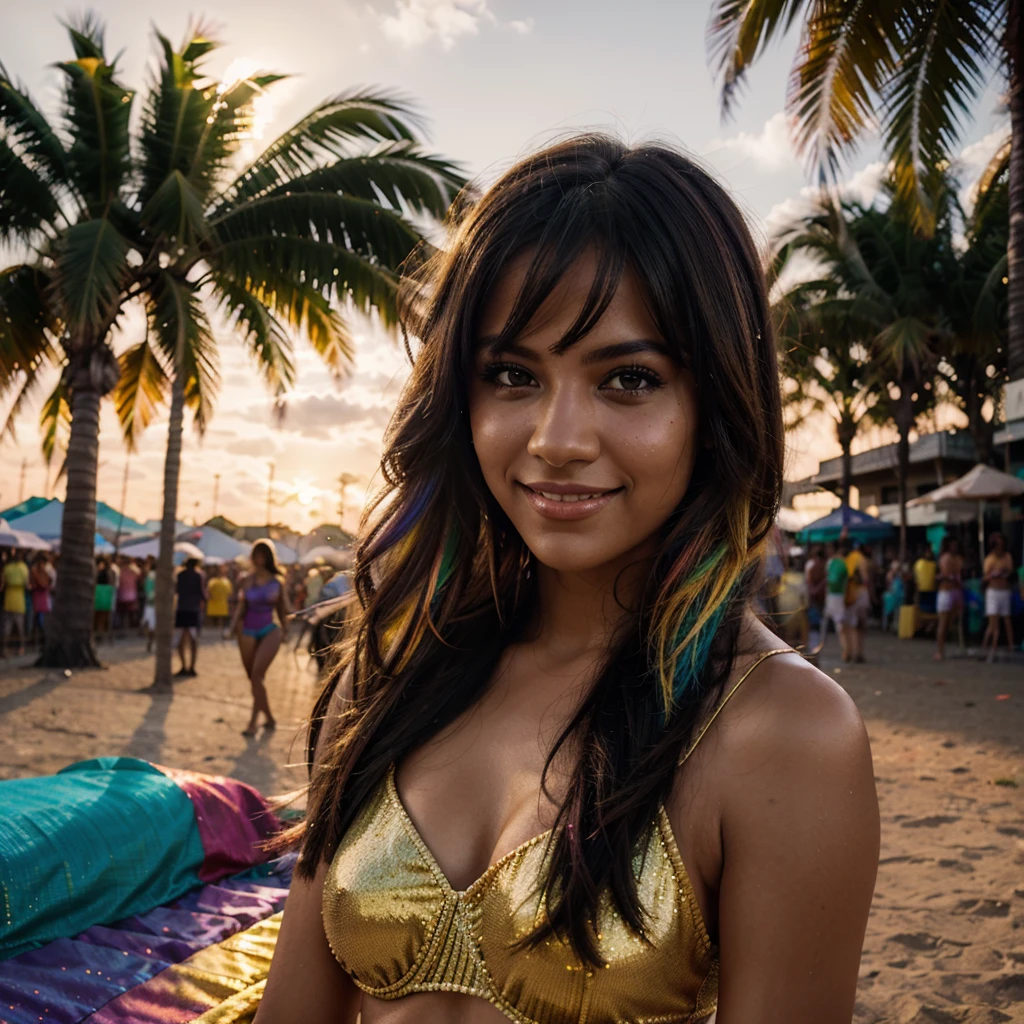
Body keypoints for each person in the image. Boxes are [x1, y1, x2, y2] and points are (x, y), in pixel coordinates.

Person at [255, 136, 878, 1024]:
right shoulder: (388, 676)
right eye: (512, 374)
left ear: (717, 404)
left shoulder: (783, 734)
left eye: (628, 378)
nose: (558, 437)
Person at [228, 540, 290, 736]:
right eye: (256, 554)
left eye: (263, 555)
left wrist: (287, 629)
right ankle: (269, 718)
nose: (259, 558)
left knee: (257, 675)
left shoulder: (277, 581)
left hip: (270, 630)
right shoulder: (245, 580)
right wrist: (231, 628)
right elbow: (240, 607)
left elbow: (283, 608)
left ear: (269, 557)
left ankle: (253, 723)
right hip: (247, 631)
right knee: (255, 680)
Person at [981, 531, 1015, 662]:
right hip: (993, 591)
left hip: (1004, 590)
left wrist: (1003, 573)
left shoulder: (1007, 557)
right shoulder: (990, 559)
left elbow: (1010, 572)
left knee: (1006, 621)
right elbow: (985, 577)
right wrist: (994, 574)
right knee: (993, 624)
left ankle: (1008, 648)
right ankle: (990, 650)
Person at [174, 557, 207, 677]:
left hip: (182, 609)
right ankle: (191, 667)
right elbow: (201, 593)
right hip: (193, 610)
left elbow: (176, 590)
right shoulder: (198, 576)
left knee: (180, 640)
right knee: (193, 640)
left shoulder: (180, 575)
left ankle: (184, 666)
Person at [934, 537, 963, 661]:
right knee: (943, 623)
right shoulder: (946, 558)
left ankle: (948, 648)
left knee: (951, 622)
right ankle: (940, 651)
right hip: (947, 591)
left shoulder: (957, 559)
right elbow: (947, 575)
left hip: (954, 591)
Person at [824, 541, 850, 658]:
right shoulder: (839, 563)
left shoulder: (836, 563)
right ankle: (845, 650)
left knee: (839, 626)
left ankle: (845, 650)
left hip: (836, 597)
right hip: (836, 596)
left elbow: (832, 581)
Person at [844, 539, 869, 663]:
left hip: (850, 594)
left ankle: (852, 652)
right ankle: (858, 653)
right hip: (861, 594)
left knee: (852, 626)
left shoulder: (848, 559)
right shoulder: (862, 559)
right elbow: (865, 579)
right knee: (860, 626)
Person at [1, 549, 29, 657]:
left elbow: (3, 584)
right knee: (20, 627)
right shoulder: (23, 568)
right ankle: (22, 648)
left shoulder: (7, 568)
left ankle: (4, 649)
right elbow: (27, 584)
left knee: (6, 628)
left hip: (8, 599)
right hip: (19, 600)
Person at [29, 552, 54, 644]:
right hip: (40, 596)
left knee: (41, 618)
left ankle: (42, 638)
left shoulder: (43, 570)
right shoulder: (37, 570)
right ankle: (40, 638)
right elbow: (43, 583)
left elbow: (46, 582)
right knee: (39, 618)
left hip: (42, 596)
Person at [804, 543, 826, 645]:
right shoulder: (823, 565)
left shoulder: (811, 564)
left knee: (815, 621)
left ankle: (816, 642)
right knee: (817, 621)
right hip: (820, 596)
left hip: (814, 595)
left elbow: (808, 581)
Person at [115, 557, 140, 631]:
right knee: (129, 613)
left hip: (124, 595)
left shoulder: (121, 572)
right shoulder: (132, 571)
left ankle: (124, 627)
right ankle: (127, 627)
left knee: (124, 613)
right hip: (130, 595)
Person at [93, 557, 115, 642]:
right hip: (102, 597)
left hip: (102, 597)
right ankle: (99, 634)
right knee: (99, 618)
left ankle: (100, 635)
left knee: (102, 618)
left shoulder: (107, 573)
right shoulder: (98, 572)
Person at [206, 563, 233, 632]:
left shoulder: (223, 581)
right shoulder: (223, 581)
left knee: (217, 619)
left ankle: (215, 631)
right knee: (216, 619)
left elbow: (209, 592)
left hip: (219, 602)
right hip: (219, 602)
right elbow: (229, 593)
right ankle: (215, 631)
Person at [913, 545, 937, 616]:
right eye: (927, 552)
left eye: (929, 552)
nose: (928, 554)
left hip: (931, 590)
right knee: (922, 610)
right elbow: (916, 577)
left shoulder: (933, 564)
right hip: (922, 590)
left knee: (931, 611)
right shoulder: (919, 563)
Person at [140, 557, 157, 651]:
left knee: (150, 624)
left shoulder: (150, 575)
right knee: (151, 625)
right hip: (155, 603)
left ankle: (149, 642)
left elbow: (147, 590)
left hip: (151, 603)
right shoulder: (159, 575)